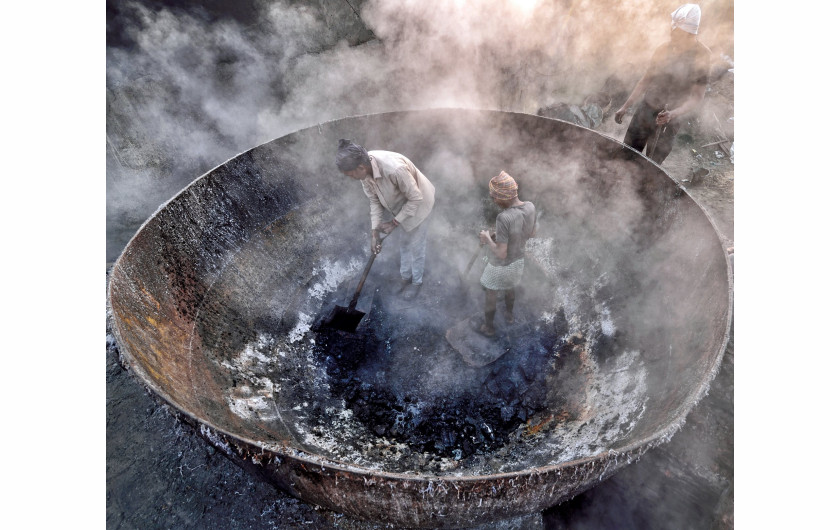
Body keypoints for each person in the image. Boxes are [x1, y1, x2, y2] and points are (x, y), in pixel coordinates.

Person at [335, 139, 435, 300]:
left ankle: (416, 283)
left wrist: (394, 223)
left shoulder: (394, 170)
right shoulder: (365, 172)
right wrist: (375, 232)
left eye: (351, 174)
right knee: (405, 243)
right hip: (403, 207)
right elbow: (374, 201)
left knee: (417, 246)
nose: (352, 178)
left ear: (360, 167)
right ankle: (404, 278)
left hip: (420, 204)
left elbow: (416, 199)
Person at [614, 4, 712, 164]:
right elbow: (646, 80)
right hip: (646, 109)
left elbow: (697, 96)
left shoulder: (702, 56)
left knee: (652, 164)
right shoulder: (664, 49)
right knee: (628, 155)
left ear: (691, 35)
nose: (675, 41)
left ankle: (642, 186)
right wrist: (625, 106)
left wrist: (673, 114)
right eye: (674, 35)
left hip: (671, 117)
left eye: (680, 36)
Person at [477, 171, 537, 337]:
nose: (494, 200)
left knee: (491, 293)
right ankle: (509, 316)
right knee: (510, 287)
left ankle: (488, 327)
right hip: (518, 262)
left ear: (504, 197)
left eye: (495, 197)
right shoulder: (530, 206)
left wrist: (488, 238)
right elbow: (531, 233)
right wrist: (500, 235)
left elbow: (501, 254)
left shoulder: (504, 217)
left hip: (499, 267)